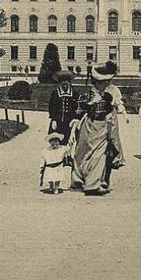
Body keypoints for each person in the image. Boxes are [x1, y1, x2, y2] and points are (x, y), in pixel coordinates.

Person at [69, 61, 124, 196]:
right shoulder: (87, 96)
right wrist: (74, 125)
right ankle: (78, 181)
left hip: (102, 127)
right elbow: (79, 111)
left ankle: (93, 184)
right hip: (89, 126)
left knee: (99, 155)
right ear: (96, 82)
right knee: (82, 153)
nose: (106, 85)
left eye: (106, 82)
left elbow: (112, 111)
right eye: (103, 82)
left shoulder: (108, 97)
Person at [47, 70, 79, 146]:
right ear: (60, 84)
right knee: (57, 142)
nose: (65, 86)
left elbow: (78, 108)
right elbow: (52, 107)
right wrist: (54, 119)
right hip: (58, 122)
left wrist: (76, 120)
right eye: (63, 84)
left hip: (70, 122)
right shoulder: (55, 94)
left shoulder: (75, 94)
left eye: (66, 84)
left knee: (71, 142)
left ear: (69, 83)